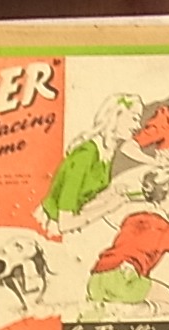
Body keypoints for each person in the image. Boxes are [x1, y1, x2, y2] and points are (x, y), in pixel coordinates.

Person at [83, 166, 169, 318]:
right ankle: (118, 312)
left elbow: (144, 237)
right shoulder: (166, 231)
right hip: (123, 280)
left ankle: (102, 309)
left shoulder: (132, 218)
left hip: (96, 279)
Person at [38, 93, 143, 235]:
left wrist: (110, 193)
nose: (138, 126)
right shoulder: (85, 155)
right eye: (134, 118)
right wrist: (108, 206)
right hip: (54, 229)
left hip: (77, 222)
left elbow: (86, 194)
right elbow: (65, 223)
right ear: (117, 115)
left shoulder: (107, 149)